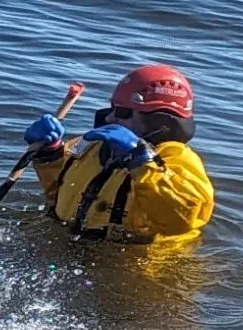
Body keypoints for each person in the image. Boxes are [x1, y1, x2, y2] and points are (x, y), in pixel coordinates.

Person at [22, 64, 216, 248]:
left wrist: (142, 162)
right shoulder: (92, 147)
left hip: (140, 271)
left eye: (122, 111)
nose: (109, 118)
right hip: (72, 249)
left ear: (158, 121)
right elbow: (59, 196)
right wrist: (50, 153)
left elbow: (182, 218)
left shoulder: (179, 161)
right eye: (113, 108)